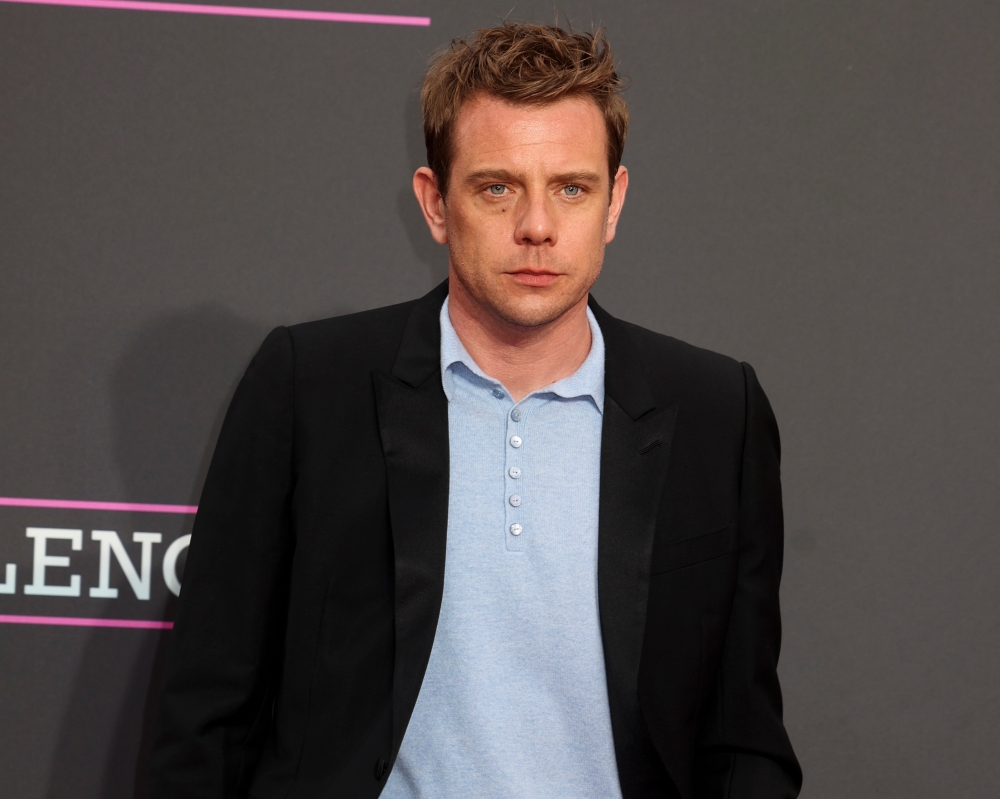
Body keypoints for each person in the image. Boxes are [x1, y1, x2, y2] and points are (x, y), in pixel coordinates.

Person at [149, 23, 802, 799]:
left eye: (572, 188)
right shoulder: (308, 387)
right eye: (498, 187)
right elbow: (204, 712)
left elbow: (745, 738)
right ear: (435, 203)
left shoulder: (715, 413)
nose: (537, 226)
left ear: (614, 202)